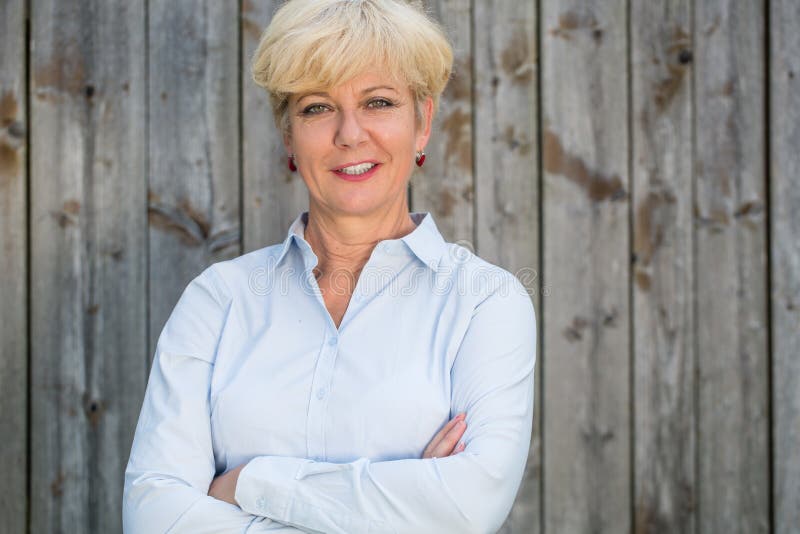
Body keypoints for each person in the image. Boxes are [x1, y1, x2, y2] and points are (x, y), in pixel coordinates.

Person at [122, 0, 537, 532]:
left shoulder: (486, 302)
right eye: (317, 107)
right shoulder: (218, 299)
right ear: (288, 134)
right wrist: (405, 506)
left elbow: (466, 507)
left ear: (423, 121)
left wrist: (249, 484)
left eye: (379, 102)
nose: (350, 134)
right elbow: (154, 516)